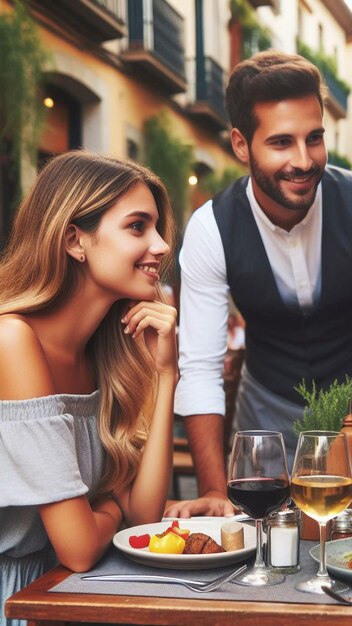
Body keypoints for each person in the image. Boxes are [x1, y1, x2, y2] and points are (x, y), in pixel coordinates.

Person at [169, 50, 352, 518]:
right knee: (265, 548)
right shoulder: (210, 230)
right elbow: (200, 368)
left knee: (344, 539)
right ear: (241, 145)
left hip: (351, 407)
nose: (304, 161)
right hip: (263, 408)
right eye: (282, 142)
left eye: (315, 138)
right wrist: (214, 491)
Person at [0, 151, 178, 626]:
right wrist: (106, 508)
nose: (161, 245)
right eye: (138, 227)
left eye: (157, 228)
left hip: (69, 592)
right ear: (75, 241)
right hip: (17, 599)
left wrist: (167, 376)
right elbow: (79, 548)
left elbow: (143, 518)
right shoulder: (13, 342)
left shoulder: (106, 353)